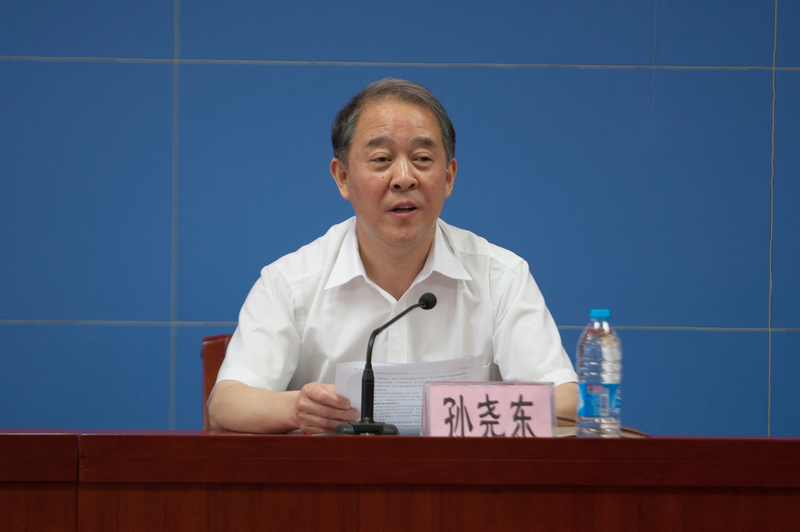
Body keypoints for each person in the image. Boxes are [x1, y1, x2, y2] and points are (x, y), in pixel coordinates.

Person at [208, 78, 577, 434]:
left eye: (422, 158)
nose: (404, 178)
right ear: (342, 177)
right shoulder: (290, 282)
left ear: (449, 177)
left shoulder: (501, 277)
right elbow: (226, 403)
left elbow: (568, 402)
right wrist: (296, 409)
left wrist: (462, 407)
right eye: (382, 159)